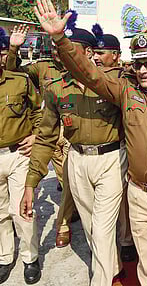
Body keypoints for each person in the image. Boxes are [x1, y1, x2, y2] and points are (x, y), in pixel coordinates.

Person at [32, 0, 147, 286]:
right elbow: (90, 73)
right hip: (139, 195)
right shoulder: (124, 90)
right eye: (139, 64)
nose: (143, 70)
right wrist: (60, 40)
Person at [20, 9, 127, 286]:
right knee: (92, 226)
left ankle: (101, 281)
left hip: (111, 159)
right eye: (58, 50)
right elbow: (45, 136)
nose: (60, 56)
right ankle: (112, 267)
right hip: (77, 160)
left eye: (68, 50)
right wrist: (31, 183)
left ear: (88, 52)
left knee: (102, 230)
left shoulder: (114, 81)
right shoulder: (56, 88)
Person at [6, 24, 78, 248]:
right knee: (66, 180)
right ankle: (67, 215)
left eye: (62, 47)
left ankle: (66, 220)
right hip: (51, 128)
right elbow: (14, 75)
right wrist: (13, 50)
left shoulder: (80, 68)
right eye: (55, 48)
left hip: (74, 128)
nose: (58, 52)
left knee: (70, 178)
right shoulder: (42, 68)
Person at [91, 23, 137, 262]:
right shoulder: (91, 77)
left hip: (123, 148)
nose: (96, 57)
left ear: (116, 55)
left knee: (125, 200)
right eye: (95, 53)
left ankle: (127, 239)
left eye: (101, 53)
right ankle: (105, 243)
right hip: (100, 151)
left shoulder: (126, 79)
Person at [0, 30, 42, 284]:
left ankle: (30, 257)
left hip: (18, 154)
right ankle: (5, 257)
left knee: (21, 210)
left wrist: (36, 134)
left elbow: (39, 111)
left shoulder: (19, 81)